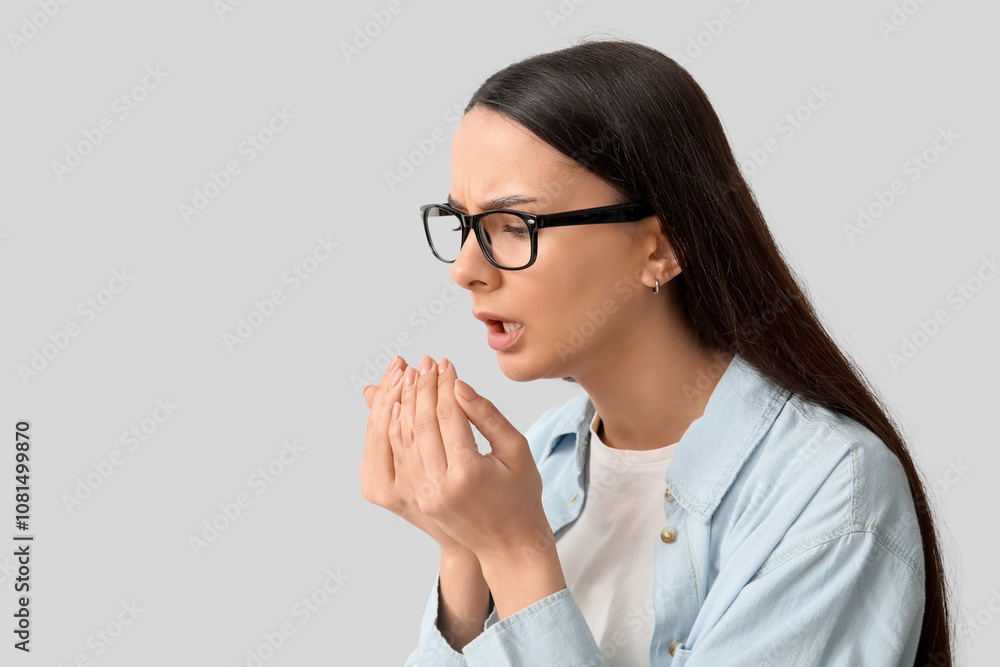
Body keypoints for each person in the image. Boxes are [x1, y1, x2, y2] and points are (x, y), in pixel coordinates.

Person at [360, 37, 953, 666]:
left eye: (513, 226)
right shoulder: (544, 460)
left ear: (660, 249)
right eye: (463, 224)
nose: (466, 268)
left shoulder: (830, 491)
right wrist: (464, 554)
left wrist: (514, 552)